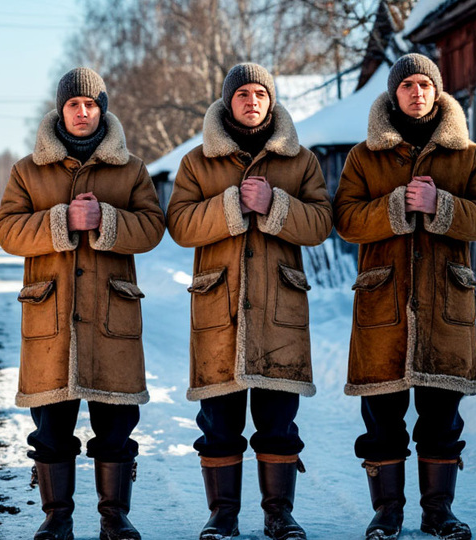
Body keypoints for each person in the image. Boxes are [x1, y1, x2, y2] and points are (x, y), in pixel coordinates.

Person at [333, 53, 476, 540]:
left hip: (445, 306)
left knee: (442, 419)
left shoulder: (466, 154)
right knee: (381, 419)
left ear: (437, 90)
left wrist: (440, 205)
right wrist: (394, 208)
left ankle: (438, 512)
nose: (416, 92)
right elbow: (344, 219)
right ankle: (387, 512)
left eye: (424, 84)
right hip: (382, 304)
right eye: (406, 84)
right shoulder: (365, 156)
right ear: (393, 94)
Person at [0, 67, 164, 540]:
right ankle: (57, 519)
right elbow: (7, 230)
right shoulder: (28, 170)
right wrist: (61, 221)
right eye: (74, 104)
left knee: (115, 427)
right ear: (61, 109)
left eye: (91, 104)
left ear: (102, 109)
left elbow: (152, 228)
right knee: (50, 429)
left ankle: (115, 518)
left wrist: (105, 219)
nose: (83, 111)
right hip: (50, 318)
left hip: (113, 317)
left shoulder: (130, 169)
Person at [166, 63, 333, 540]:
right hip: (219, 307)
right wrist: (231, 206)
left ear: (272, 101)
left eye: (261, 93)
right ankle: (223, 516)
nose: (252, 101)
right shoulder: (198, 162)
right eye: (242, 94)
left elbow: (321, 224)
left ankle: (279, 514)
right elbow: (178, 225)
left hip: (280, 310)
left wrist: (275, 205)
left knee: (279, 421)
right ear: (227, 102)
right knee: (219, 422)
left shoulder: (299, 160)